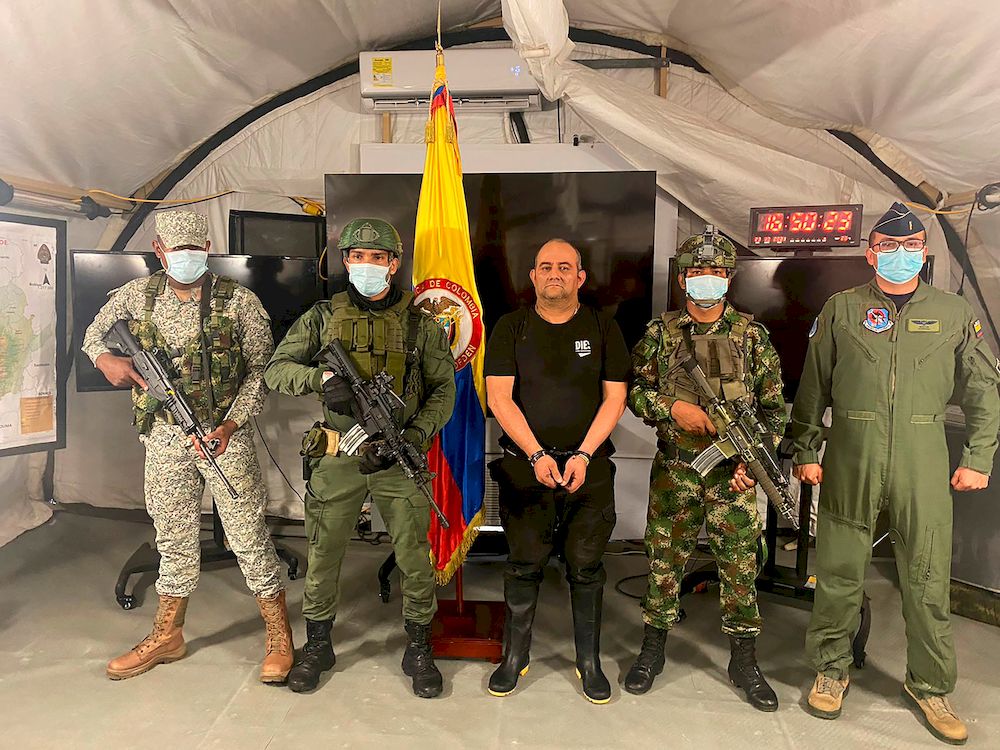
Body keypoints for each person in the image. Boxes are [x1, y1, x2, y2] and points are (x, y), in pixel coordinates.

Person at [791, 202, 1000, 744]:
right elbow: (812, 388)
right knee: (838, 571)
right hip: (851, 455)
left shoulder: (953, 314)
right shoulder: (841, 309)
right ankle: (831, 670)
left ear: (923, 253)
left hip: (922, 454)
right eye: (888, 246)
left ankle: (931, 684)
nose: (900, 256)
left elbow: (983, 390)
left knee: (928, 580)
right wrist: (805, 449)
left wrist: (979, 457)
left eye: (910, 248)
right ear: (871, 252)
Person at [82, 210, 292, 683]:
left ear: (208, 250)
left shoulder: (239, 302)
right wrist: (104, 361)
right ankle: (168, 635)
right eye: (178, 252)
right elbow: (94, 336)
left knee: (247, 535)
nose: (187, 259)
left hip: (223, 439)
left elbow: (262, 371)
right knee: (173, 539)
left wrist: (233, 423)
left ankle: (279, 636)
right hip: (164, 436)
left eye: (195, 251)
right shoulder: (137, 296)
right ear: (160, 251)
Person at [263, 217, 456, 698]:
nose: (366, 266)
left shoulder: (420, 324)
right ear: (344, 261)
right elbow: (276, 370)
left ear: (394, 264)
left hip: (399, 454)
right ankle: (319, 644)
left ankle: (418, 644)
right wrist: (322, 382)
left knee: (415, 554)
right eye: (356, 256)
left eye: (377, 258)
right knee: (325, 551)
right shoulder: (322, 318)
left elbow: (443, 391)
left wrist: (412, 437)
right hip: (337, 454)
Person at [626, 226, 785, 711]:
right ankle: (652, 649)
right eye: (697, 272)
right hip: (676, 471)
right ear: (682, 278)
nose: (705, 280)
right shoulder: (659, 334)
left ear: (728, 278)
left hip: (732, 476)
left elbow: (775, 411)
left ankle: (743, 660)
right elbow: (634, 392)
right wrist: (671, 408)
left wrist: (751, 465)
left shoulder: (752, 338)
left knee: (739, 567)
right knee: (663, 561)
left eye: (715, 272)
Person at [484, 239, 628, 704]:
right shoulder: (511, 327)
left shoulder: (604, 327)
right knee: (523, 564)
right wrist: (536, 455)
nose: (555, 274)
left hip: (589, 467)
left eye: (565, 267)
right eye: (545, 266)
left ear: (580, 278)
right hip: (527, 467)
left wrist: (583, 456)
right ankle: (515, 656)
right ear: (533, 276)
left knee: (586, 568)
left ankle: (589, 662)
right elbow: (499, 398)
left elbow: (615, 399)